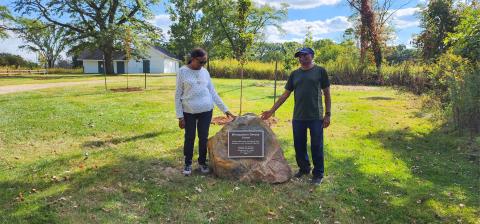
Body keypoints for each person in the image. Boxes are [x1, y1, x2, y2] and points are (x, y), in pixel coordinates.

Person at [261, 47, 331, 185]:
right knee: (299, 145)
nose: (301, 58)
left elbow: (327, 94)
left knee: (317, 145)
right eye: (299, 56)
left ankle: (318, 174)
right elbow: (285, 95)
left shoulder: (320, 71)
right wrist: (271, 111)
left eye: (304, 55)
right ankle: (304, 168)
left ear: (312, 56)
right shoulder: (294, 74)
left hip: (316, 116)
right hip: (298, 117)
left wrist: (328, 114)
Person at [175, 48, 235, 176]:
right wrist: (180, 116)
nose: (203, 65)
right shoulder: (182, 71)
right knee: (189, 137)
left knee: (203, 137)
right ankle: (188, 163)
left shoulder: (205, 72)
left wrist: (226, 110)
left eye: (205, 62)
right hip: (189, 111)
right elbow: (177, 95)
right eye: (201, 62)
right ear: (193, 59)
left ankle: (202, 162)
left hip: (206, 110)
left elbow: (213, 92)